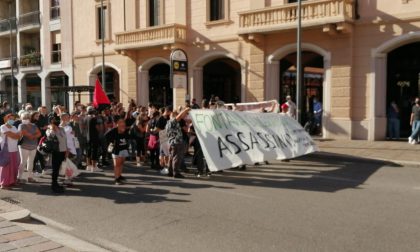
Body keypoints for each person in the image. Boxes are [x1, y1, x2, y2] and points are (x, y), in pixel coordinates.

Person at [165, 107, 191, 178]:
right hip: (176, 142)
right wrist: (185, 110)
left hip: (170, 142)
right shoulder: (173, 121)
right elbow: (179, 117)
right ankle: (176, 172)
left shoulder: (168, 123)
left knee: (171, 157)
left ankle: (170, 171)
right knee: (177, 158)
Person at [46, 115, 68, 193]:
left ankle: (56, 183)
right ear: (51, 121)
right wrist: (52, 128)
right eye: (54, 120)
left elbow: (65, 140)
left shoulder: (61, 129)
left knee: (58, 168)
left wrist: (66, 151)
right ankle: (54, 185)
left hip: (63, 151)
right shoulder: (49, 130)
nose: (56, 121)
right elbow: (49, 137)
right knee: (55, 169)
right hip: (56, 151)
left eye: (56, 119)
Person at [105, 117, 130, 185]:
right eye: (121, 122)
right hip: (116, 150)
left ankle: (119, 176)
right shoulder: (113, 131)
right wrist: (111, 143)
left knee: (121, 163)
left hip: (124, 148)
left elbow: (128, 137)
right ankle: (116, 179)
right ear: (117, 124)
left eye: (123, 122)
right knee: (117, 165)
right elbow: (106, 136)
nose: (123, 123)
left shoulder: (125, 130)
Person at [17, 112, 41, 183]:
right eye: (24, 118)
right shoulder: (21, 125)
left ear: (30, 119)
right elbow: (25, 134)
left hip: (33, 146)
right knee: (23, 162)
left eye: (27, 118)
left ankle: (30, 177)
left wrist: (33, 136)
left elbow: (39, 133)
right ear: (21, 119)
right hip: (24, 146)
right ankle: (19, 177)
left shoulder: (34, 125)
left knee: (31, 161)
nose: (25, 119)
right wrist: (34, 135)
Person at [0, 114, 20, 189]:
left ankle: (12, 181)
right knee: (5, 167)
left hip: (14, 149)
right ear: (6, 119)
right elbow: (12, 135)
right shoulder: (2, 127)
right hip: (6, 150)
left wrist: (15, 135)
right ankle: (4, 184)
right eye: (10, 118)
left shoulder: (14, 127)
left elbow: (18, 136)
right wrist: (15, 135)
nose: (12, 120)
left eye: (13, 119)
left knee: (14, 166)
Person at [85, 107, 103, 172]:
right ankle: (94, 166)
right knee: (94, 151)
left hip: (88, 137)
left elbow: (84, 127)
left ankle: (88, 166)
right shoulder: (93, 119)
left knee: (88, 151)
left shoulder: (86, 118)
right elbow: (98, 128)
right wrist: (100, 127)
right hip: (94, 137)